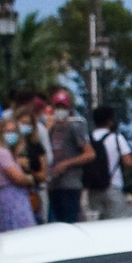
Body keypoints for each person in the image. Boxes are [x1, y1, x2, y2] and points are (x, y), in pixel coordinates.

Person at [42, 93, 92, 223]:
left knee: (69, 220)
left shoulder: (74, 127)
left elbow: (89, 153)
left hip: (70, 184)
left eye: (62, 107)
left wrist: (67, 164)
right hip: (53, 184)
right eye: (57, 107)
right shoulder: (50, 128)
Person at [84, 106, 132, 220]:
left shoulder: (88, 139)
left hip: (93, 188)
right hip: (113, 185)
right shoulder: (117, 138)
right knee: (116, 224)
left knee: (97, 224)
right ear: (110, 120)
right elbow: (128, 162)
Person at [0, 119, 39, 230]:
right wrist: (30, 179)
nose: (12, 135)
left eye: (14, 131)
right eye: (8, 131)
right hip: (11, 196)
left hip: (13, 195)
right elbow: (18, 178)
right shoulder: (1, 153)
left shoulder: (7, 153)